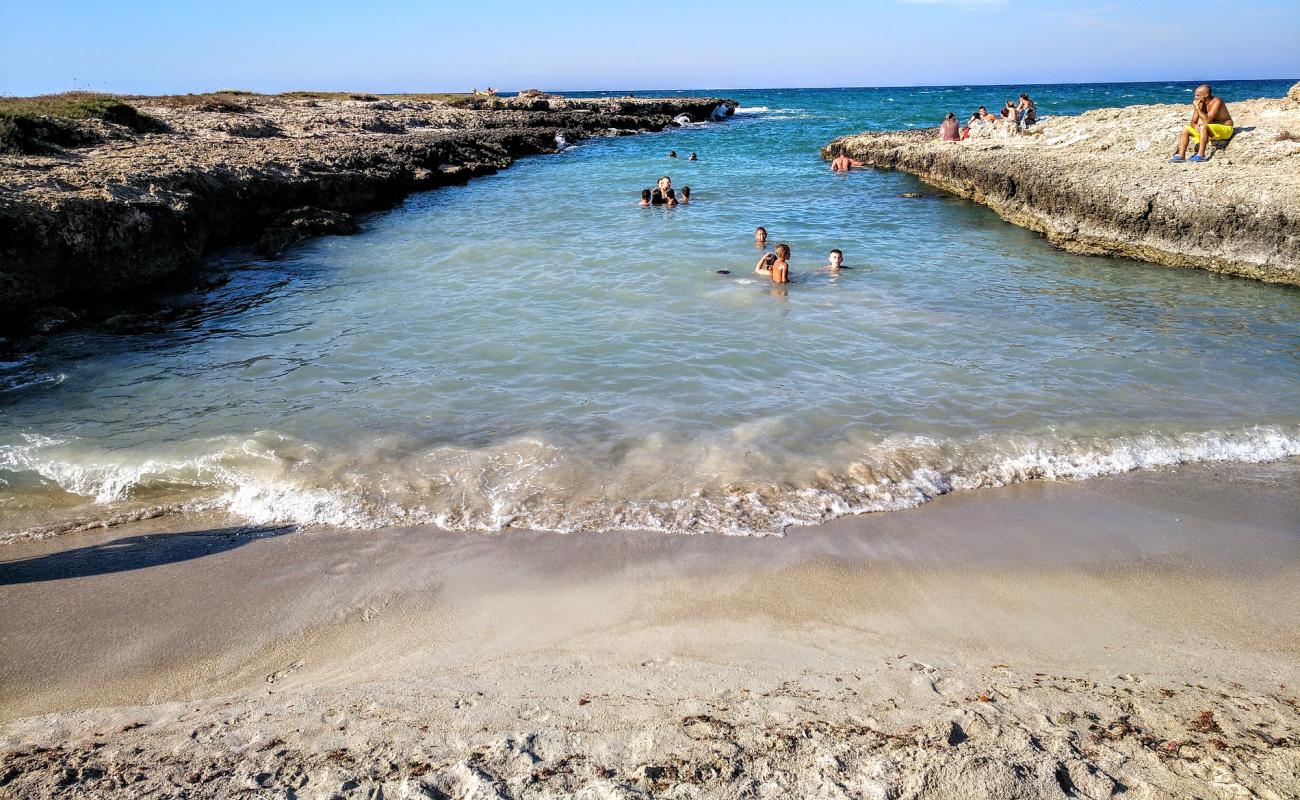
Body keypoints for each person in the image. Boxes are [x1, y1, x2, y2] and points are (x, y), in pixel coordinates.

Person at [1172, 84, 1233, 162]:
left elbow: (1207, 121)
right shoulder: (1201, 103)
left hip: (1225, 129)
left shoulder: (1217, 101)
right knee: (1186, 129)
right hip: (1211, 131)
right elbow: (1193, 122)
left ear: (1206, 95)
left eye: (1197, 95)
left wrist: (1197, 108)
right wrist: (1194, 126)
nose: (1195, 98)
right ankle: (1181, 155)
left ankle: (1201, 155)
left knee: (1203, 126)